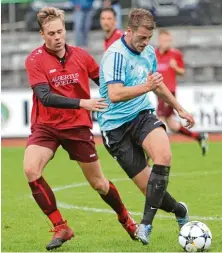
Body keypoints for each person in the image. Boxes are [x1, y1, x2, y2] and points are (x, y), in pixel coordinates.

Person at [24, 7, 137, 251]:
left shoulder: (82, 57)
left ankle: (125, 217)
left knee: (99, 184)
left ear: (65, 30)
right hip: (47, 126)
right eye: (51, 33)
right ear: (42, 35)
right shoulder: (34, 60)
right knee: (31, 169)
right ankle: (61, 226)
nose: (57, 37)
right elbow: (44, 96)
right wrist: (83, 102)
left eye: (60, 31)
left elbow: (106, 84)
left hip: (77, 127)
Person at [98, 8, 195, 245]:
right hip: (115, 128)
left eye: (148, 38)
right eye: (141, 38)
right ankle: (180, 211)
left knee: (164, 154)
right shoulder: (115, 55)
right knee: (152, 191)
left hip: (141, 115)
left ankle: (146, 225)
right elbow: (115, 94)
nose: (145, 43)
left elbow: (157, 85)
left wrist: (178, 108)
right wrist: (147, 87)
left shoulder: (148, 52)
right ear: (129, 31)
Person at [155, 29, 208, 155]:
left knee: (159, 120)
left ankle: (157, 152)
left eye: (168, 40)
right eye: (164, 40)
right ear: (159, 40)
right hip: (158, 92)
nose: (166, 43)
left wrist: (175, 67)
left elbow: (182, 72)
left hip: (169, 93)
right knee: (172, 124)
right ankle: (198, 136)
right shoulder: (154, 54)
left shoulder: (175, 54)